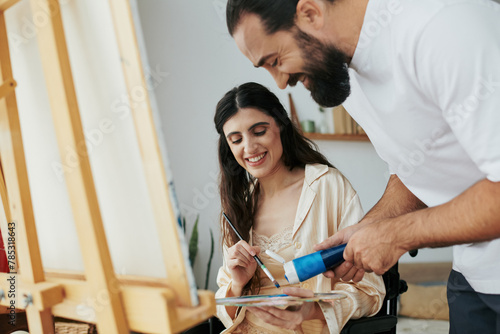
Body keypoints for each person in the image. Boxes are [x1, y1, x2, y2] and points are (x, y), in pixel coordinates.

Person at [225, 0, 500, 332]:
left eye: (276, 60)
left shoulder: (442, 27)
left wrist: (396, 236)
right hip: (475, 277)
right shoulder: (344, 72)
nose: (280, 82)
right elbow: (414, 170)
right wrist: (371, 228)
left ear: (310, 13)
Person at [214, 82, 385, 333]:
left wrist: (312, 311)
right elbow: (222, 308)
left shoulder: (328, 186)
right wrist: (237, 285)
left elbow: (370, 291)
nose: (249, 148)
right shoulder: (238, 205)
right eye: (236, 139)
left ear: (281, 125)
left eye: (259, 131)